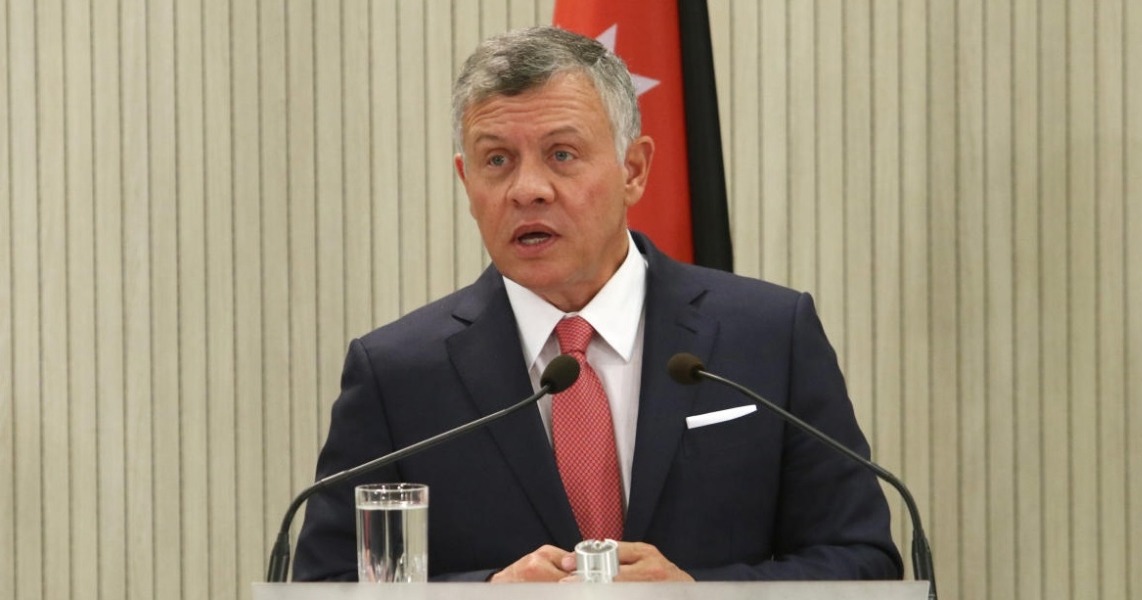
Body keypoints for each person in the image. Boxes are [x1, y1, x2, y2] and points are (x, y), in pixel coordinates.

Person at [294, 26, 902, 583]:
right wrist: (486, 596)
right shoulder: (398, 374)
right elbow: (326, 586)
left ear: (633, 170)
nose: (528, 189)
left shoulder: (769, 337)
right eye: (497, 160)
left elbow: (863, 562)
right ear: (467, 181)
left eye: (562, 154)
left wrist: (701, 596)